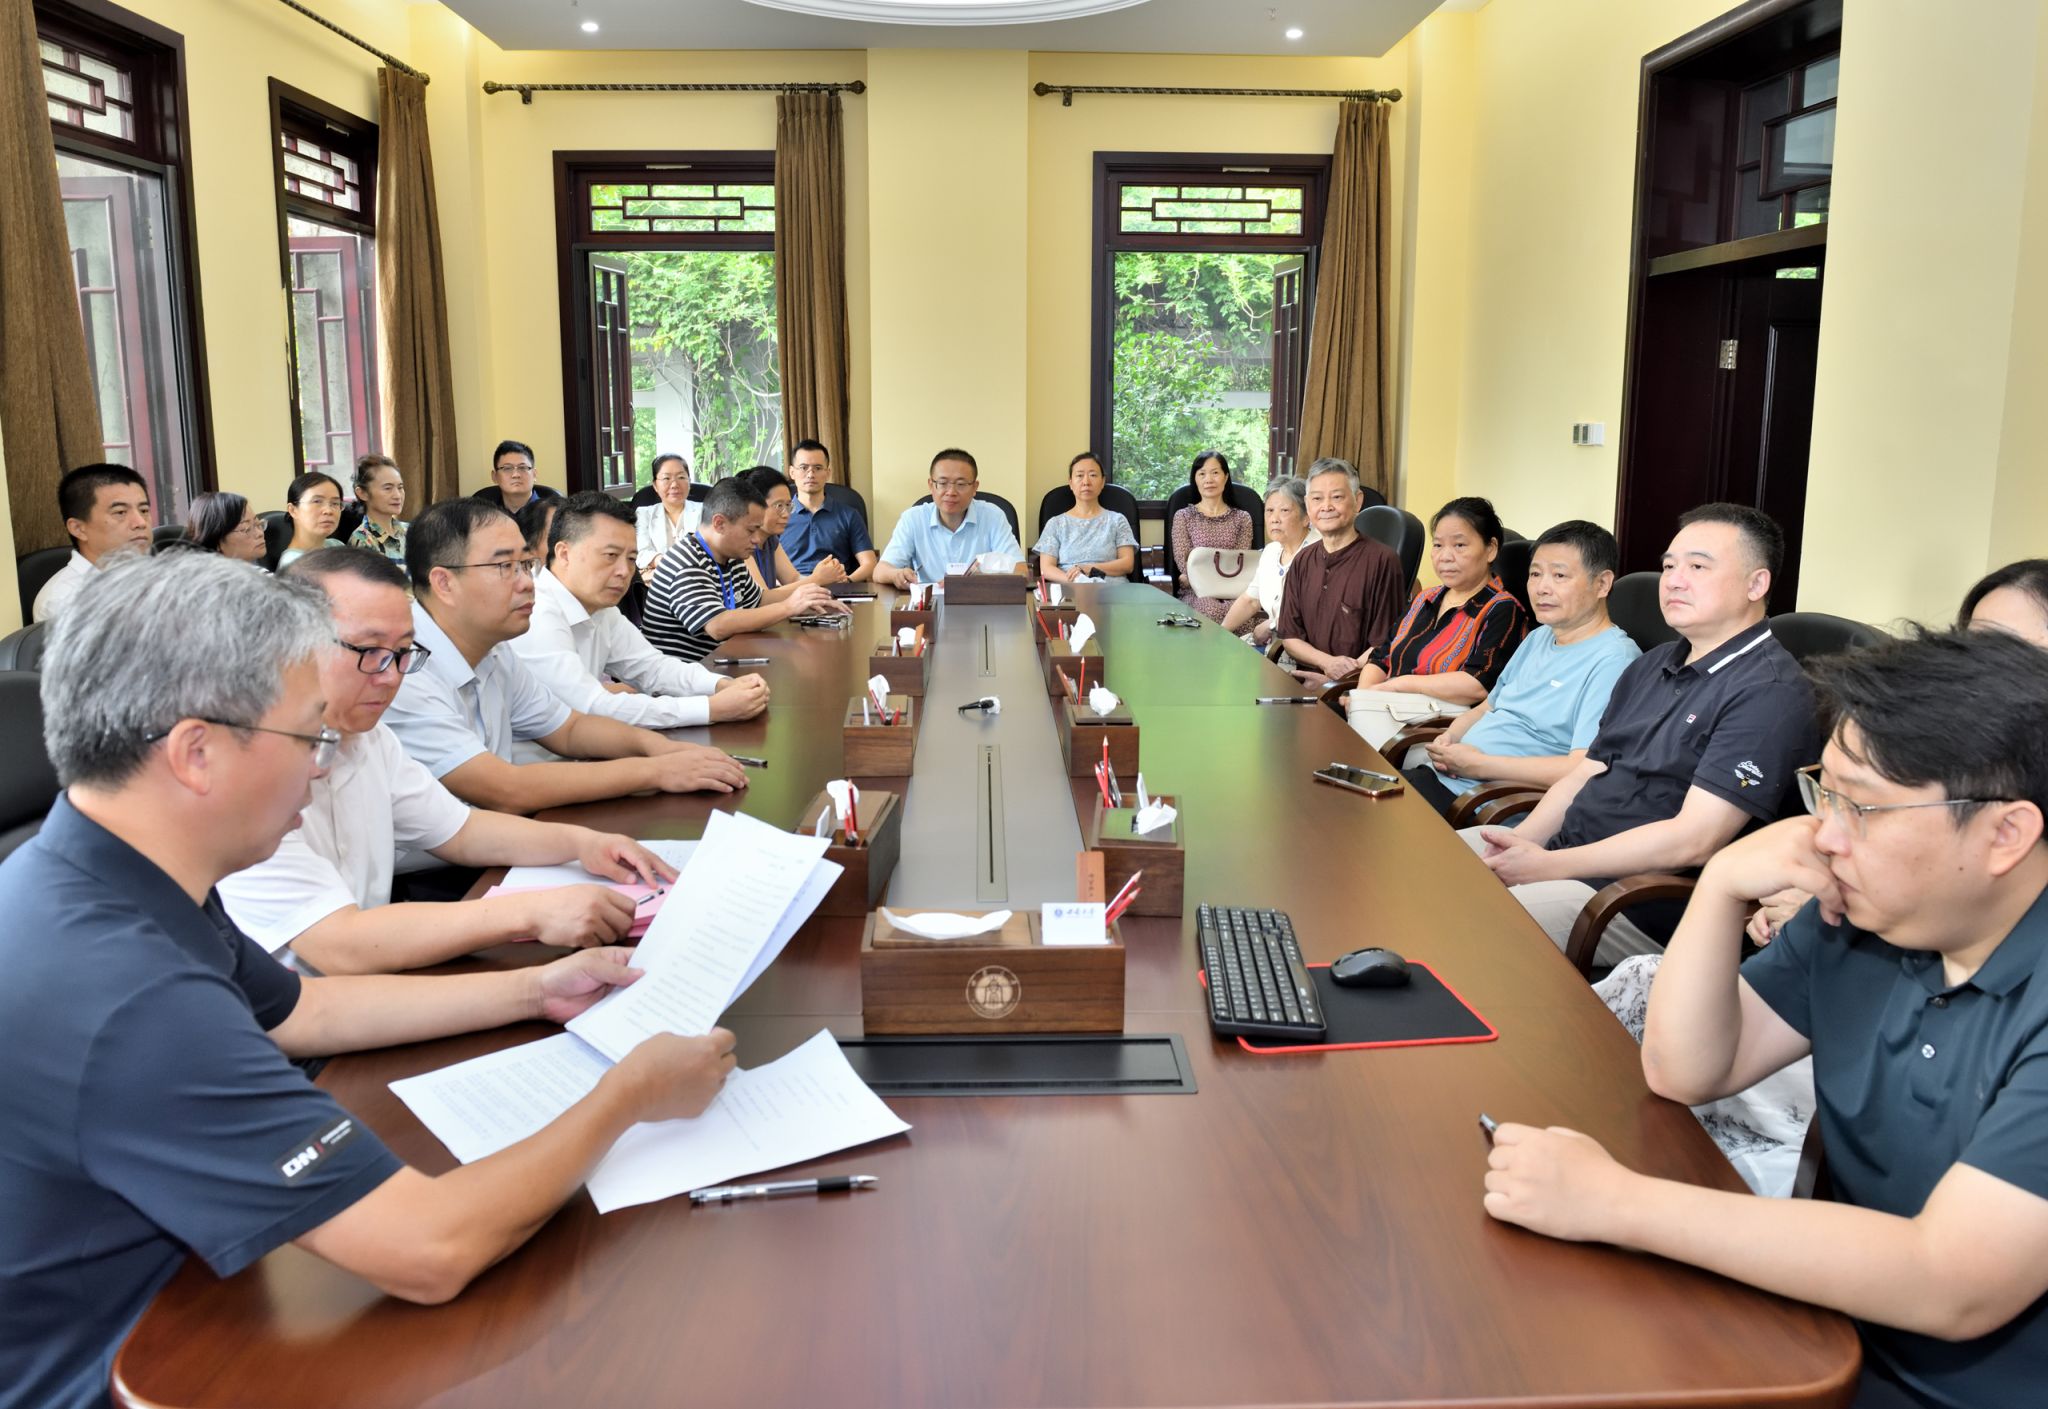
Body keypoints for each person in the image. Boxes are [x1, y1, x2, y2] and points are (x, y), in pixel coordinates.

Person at [0, 550, 736, 1409]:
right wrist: (629, 1093)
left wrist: (535, 990)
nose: (321, 765)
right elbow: (429, 1248)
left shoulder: (101, 871)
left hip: (210, 1290)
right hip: (144, 1367)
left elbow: (301, 1008)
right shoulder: (132, 997)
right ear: (196, 752)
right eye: (308, 735)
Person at [1483, 628, 2048, 1409]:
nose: (1826, 836)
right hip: (1816, 1328)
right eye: (1826, 793)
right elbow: (1687, 1068)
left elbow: (1950, 1278)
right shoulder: (1862, 917)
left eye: (1862, 806)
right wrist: (1720, 885)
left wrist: (1613, 1201)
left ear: (2006, 834)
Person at [218, 547, 679, 973]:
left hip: (373, 986)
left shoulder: (368, 737)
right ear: (290, 646)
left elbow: (461, 831)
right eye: (369, 651)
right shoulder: (243, 770)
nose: (391, 676)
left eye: (403, 653)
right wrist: (529, 913)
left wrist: (585, 844)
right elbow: (340, 945)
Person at [1463, 503, 1819, 961]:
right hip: (1567, 858)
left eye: (1697, 567)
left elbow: (1694, 839)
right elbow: (1585, 772)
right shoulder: (1653, 664)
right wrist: (1525, 841)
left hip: (1635, 902)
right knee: (1429, 863)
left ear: (1756, 584)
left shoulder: (1769, 692)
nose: (1673, 580)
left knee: (1465, 921)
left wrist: (1547, 865)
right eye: (1669, 566)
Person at [1744, 557, 2048, 948]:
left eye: (2009, 649)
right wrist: (1824, 888)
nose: (1982, 666)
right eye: (1974, 645)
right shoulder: (1948, 747)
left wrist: (1844, 911)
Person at [381, 498, 750, 814]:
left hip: (500, 828)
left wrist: (663, 750)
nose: (527, 582)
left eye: (525, 565)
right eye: (505, 567)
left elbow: (570, 728)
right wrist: (658, 769)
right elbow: (505, 789)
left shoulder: (496, 649)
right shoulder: (401, 668)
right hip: (442, 863)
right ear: (444, 582)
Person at [1404, 520, 1640, 818]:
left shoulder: (1614, 660)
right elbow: (1488, 707)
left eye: (1559, 575)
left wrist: (1478, 765)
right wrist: (1450, 738)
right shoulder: (1540, 636)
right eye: (1535, 574)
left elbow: (1581, 768)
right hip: (1449, 778)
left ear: (1602, 584)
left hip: (1486, 804)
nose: (1542, 588)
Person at [510, 492, 771, 738]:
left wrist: (721, 684)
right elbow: (592, 707)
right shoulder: (537, 612)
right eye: (610, 556)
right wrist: (710, 708)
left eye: (631, 558)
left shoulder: (602, 610)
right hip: (539, 764)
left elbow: (654, 668)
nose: (624, 571)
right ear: (564, 553)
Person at [1344, 497, 1530, 750]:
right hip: (1387, 715)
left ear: (1491, 549)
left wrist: (1398, 686)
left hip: (1438, 733)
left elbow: (1478, 685)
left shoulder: (1502, 609)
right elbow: (1381, 656)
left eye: (1460, 545)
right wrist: (1364, 700)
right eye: (1438, 545)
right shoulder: (1424, 599)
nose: (1445, 557)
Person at [642, 476, 844, 662]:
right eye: (750, 530)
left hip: (721, 663)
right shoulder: (686, 561)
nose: (756, 539)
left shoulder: (731, 556)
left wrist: (808, 596)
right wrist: (789, 606)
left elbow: (759, 600)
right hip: (684, 678)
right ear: (719, 523)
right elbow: (718, 626)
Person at [1273, 458, 1409, 688]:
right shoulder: (1303, 560)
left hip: (1355, 686)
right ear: (1307, 504)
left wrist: (1337, 680)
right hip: (1304, 683)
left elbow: (1386, 643)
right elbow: (1290, 636)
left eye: (1336, 497)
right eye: (1317, 499)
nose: (1326, 507)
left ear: (1357, 501)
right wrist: (1327, 663)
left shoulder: (1383, 561)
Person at [871, 448, 1025, 587]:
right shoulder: (913, 519)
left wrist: (973, 581)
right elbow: (879, 571)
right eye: (943, 483)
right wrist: (896, 575)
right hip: (930, 604)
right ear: (931, 485)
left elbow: (1021, 571)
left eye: (961, 484)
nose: (951, 492)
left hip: (981, 602)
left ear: (974, 487)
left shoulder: (993, 516)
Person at [32, 462, 151, 622]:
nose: (141, 522)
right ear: (78, 529)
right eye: (120, 512)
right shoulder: (66, 600)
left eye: (144, 510)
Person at [1220, 476, 1316, 646]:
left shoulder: (1318, 552)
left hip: (1304, 647)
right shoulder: (1271, 551)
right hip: (1272, 644)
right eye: (1269, 510)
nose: (1274, 519)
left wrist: (1272, 625)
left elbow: (1314, 610)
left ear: (1306, 516)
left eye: (1284, 510)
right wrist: (1220, 632)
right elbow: (1251, 600)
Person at [737, 464, 848, 601]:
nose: (786, 514)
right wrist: (817, 579)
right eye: (779, 506)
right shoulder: (741, 545)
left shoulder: (770, 540)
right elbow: (763, 598)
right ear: (754, 506)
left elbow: (793, 578)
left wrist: (827, 576)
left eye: (788, 505)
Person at [1171, 449, 1254, 623]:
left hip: (1234, 588)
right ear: (1195, 479)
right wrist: (1193, 577)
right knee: (1210, 609)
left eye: (1215, 473)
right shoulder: (1183, 516)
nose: (1208, 479)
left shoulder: (1242, 518)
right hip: (1197, 591)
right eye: (1202, 474)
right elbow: (1185, 563)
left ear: (1226, 477)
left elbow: (1240, 561)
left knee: (1243, 611)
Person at [1032, 452, 1138, 583]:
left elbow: (1127, 564)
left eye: (1093, 475)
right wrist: (1077, 582)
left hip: (1112, 590)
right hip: (1070, 588)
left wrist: (1090, 569)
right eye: (1079, 475)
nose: (1086, 482)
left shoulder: (1117, 520)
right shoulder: (1055, 524)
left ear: (1102, 482)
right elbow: (1047, 568)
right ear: (1071, 483)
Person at [781, 439, 876, 581]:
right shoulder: (779, 516)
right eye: (803, 467)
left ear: (828, 472)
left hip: (836, 587)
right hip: (792, 587)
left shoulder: (849, 515)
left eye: (818, 468)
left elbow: (869, 563)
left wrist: (848, 581)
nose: (810, 474)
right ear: (792, 472)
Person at [636, 452, 699, 583]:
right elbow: (642, 553)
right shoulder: (643, 514)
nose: (674, 484)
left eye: (681, 477)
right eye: (666, 478)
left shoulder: (705, 511)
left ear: (689, 481)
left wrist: (663, 567)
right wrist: (670, 565)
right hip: (656, 586)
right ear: (655, 485)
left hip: (696, 582)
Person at [348, 454, 409, 569]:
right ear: (362, 493)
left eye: (400, 487)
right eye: (387, 488)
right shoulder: (363, 540)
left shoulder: (410, 531)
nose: (397, 495)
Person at [471, 439, 561, 516]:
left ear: (534, 474)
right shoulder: (482, 514)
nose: (516, 475)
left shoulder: (554, 514)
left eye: (523, 468)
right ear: (495, 477)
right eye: (507, 468)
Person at [277, 471, 346, 569]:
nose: (328, 511)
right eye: (317, 501)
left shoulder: (336, 545)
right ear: (293, 510)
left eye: (335, 503)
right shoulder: (294, 564)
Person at [184, 490, 267, 563]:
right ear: (216, 542)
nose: (260, 533)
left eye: (258, 524)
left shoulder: (259, 573)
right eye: (247, 529)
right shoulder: (215, 576)